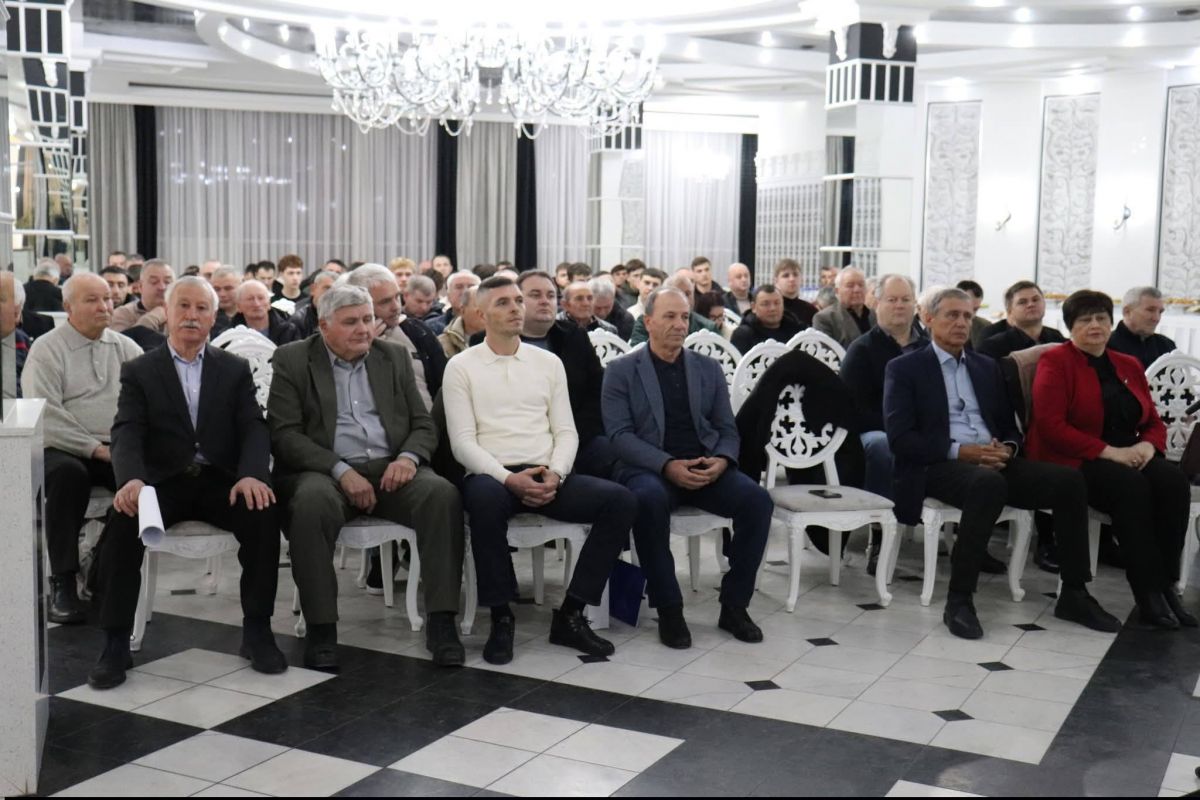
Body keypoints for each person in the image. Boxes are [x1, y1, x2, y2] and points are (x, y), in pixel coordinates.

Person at [883, 287, 1119, 640]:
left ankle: (1074, 593)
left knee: (1068, 481)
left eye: (967, 316)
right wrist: (962, 452)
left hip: (992, 458)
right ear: (928, 319)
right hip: (937, 463)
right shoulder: (905, 368)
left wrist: (1007, 448)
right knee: (987, 485)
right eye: (952, 315)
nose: (962, 323)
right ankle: (959, 600)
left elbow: (1010, 426)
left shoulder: (985, 366)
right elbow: (901, 439)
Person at [87, 277, 286, 689]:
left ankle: (258, 631)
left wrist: (252, 473)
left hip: (220, 480)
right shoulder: (141, 370)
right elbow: (127, 429)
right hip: (162, 482)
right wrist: (132, 480)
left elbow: (253, 425)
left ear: (213, 318)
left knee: (263, 513)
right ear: (168, 312)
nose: (192, 316)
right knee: (123, 523)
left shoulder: (232, 368)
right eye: (184, 306)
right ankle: (115, 642)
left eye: (201, 308)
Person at [269, 283, 467, 669]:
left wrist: (408, 458)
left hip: (391, 467)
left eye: (367, 319)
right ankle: (322, 629)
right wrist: (341, 471)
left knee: (441, 495)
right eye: (351, 322)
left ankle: (442, 623)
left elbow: (422, 423)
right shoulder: (293, 359)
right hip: (324, 470)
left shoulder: (392, 356)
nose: (363, 329)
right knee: (310, 504)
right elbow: (285, 435)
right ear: (324, 326)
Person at [442, 276, 632, 664]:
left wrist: (556, 474)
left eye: (518, 300)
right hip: (492, 474)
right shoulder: (461, 367)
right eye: (503, 303)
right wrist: (508, 478)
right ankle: (501, 617)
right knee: (484, 501)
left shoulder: (548, 363)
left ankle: (572, 613)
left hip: (547, 471)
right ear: (480, 313)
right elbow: (462, 443)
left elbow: (566, 431)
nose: (516, 308)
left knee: (621, 501)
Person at [603, 287, 772, 648]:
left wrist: (721, 460)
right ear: (648, 322)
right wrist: (666, 465)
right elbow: (619, 436)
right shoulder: (621, 371)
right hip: (647, 467)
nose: (680, 325)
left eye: (684, 317)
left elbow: (727, 429)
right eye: (670, 316)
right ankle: (669, 608)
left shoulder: (707, 368)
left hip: (703, 464)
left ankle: (734, 606)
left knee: (757, 501)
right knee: (647, 501)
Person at [1026, 290, 1193, 630]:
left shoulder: (1127, 364)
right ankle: (1147, 591)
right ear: (1070, 326)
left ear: (1111, 322)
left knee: (1173, 483)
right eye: (1085, 319)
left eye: (1101, 318)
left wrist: (1149, 446)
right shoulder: (1056, 362)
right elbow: (1051, 426)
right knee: (1130, 487)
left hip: (1128, 451)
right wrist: (1111, 453)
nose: (1095, 325)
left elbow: (1152, 420)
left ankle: (1166, 584)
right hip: (1074, 456)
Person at [21, 274, 143, 623]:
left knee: (142, 481)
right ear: (68, 307)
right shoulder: (47, 349)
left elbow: (148, 401)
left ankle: (100, 568)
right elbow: (45, 414)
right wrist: (94, 448)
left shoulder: (126, 348)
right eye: (92, 300)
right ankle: (62, 582)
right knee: (67, 476)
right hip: (61, 447)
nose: (104, 306)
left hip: (116, 444)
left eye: (108, 299)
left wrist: (124, 447)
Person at [840, 275, 928, 574]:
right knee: (881, 445)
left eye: (906, 299)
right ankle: (879, 536)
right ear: (876, 303)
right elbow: (853, 411)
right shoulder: (863, 349)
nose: (899, 305)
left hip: (919, 432)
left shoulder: (927, 348)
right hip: (873, 432)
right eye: (892, 299)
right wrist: (900, 429)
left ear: (915, 305)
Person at [517, 271, 617, 479]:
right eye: (535, 295)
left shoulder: (574, 336)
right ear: (516, 301)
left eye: (550, 295)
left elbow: (596, 392)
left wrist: (568, 438)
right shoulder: (495, 340)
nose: (545, 301)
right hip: (519, 443)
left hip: (576, 436)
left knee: (611, 453)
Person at [977, 280, 1065, 359]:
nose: (1031, 304)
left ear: (1044, 304)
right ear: (1010, 311)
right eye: (1022, 302)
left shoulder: (1057, 339)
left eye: (1035, 300)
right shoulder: (993, 347)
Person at [628, 273, 718, 345]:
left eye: (688, 294)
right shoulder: (647, 322)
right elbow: (636, 353)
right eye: (678, 293)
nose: (684, 299)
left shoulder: (708, 327)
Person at [1107, 286, 1175, 368]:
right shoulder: (1106, 347)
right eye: (1150, 310)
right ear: (1127, 312)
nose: (1156, 318)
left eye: (1160, 312)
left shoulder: (1166, 345)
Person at [813, 266, 875, 348]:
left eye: (861, 285)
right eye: (850, 286)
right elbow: (825, 352)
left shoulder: (876, 316)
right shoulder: (825, 318)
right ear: (837, 291)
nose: (857, 290)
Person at [730, 286, 804, 353]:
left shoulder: (796, 329)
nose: (772, 308)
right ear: (753, 307)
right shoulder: (743, 335)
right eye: (765, 304)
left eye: (777, 303)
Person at [230, 280, 303, 346]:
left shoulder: (289, 331)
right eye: (250, 299)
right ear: (238, 306)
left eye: (261, 298)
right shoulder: (230, 335)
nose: (257, 304)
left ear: (269, 303)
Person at [110, 259, 174, 333]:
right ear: (140, 287)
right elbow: (123, 340)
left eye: (167, 282)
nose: (162, 287)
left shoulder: (181, 313)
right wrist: (152, 318)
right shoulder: (123, 314)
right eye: (154, 282)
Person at [290, 269, 339, 339]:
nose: (331, 294)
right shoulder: (299, 320)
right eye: (327, 289)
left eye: (336, 291)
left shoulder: (342, 317)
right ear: (313, 289)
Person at [427, 271, 480, 335]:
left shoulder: (489, 325)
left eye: (471, 287)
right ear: (448, 295)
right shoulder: (432, 327)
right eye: (459, 287)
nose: (465, 291)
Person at [439, 285, 485, 358]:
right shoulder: (443, 344)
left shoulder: (503, 340)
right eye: (480, 305)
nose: (487, 311)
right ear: (463, 310)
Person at [774, 259, 819, 327]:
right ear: (776, 281)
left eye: (795, 275)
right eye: (786, 275)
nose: (792, 279)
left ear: (801, 279)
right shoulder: (771, 309)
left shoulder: (811, 310)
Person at [957, 280, 991, 350]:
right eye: (968, 308)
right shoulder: (942, 324)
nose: (971, 314)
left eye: (975, 309)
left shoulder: (985, 326)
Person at [209, 266, 242, 338]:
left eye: (228, 288)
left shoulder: (250, 315)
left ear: (240, 287)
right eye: (217, 289)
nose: (222, 294)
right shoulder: (207, 318)